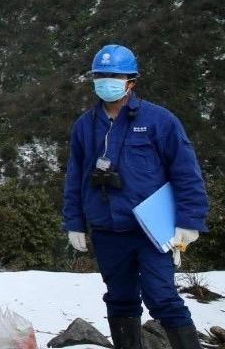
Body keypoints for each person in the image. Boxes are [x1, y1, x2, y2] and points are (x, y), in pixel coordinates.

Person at [63, 44, 210, 349]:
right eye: (100, 75)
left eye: (115, 75)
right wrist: (74, 222)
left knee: (163, 298)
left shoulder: (160, 121)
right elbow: (75, 177)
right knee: (120, 299)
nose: (107, 80)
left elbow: (185, 172)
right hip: (107, 230)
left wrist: (189, 220)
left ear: (132, 80)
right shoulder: (84, 126)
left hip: (151, 230)